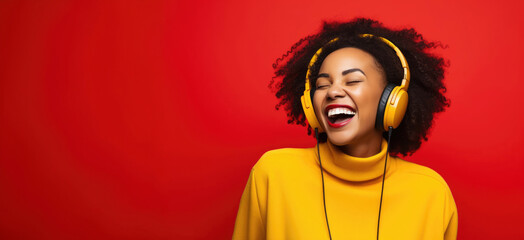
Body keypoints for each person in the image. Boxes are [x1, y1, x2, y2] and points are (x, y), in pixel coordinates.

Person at [232, 18, 457, 240]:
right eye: (322, 85)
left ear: (391, 101)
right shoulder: (274, 174)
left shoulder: (431, 193)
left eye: (352, 81)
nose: (332, 92)